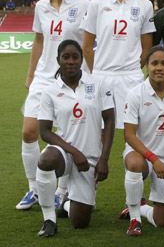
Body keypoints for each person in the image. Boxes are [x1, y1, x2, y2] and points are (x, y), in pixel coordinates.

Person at [17, 0, 89, 211]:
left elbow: (91, 43)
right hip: (44, 78)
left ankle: (61, 191)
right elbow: (38, 40)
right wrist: (30, 75)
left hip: (72, 78)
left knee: (66, 136)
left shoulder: (85, 6)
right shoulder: (41, 6)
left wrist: (90, 76)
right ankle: (34, 189)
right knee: (29, 132)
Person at [36, 40, 115, 236]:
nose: (70, 61)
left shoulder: (98, 84)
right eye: (66, 57)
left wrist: (104, 159)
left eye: (75, 57)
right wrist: (73, 151)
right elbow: (45, 131)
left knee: (80, 223)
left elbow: (110, 120)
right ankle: (49, 220)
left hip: (89, 159)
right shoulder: (50, 91)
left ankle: (67, 205)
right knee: (46, 160)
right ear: (58, 60)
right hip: (64, 152)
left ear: (81, 60)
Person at [119, 46, 164, 236]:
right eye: (154, 63)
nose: (159, 68)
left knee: (163, 222)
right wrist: (153, 158)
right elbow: (129, 135)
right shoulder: (136, 93)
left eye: (163, 63)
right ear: (147, 66)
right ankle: (135, 219)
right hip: (142, 154)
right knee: (135, 165)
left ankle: (139, 208)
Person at [81, 0, 155, 129]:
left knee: (135, 130)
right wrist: (97, 71)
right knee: (98, 130)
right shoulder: (96, 4)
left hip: (131, 77)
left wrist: (135, 69)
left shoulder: (145, 5)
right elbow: (86, 48)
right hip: (101, 76)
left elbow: (147, 48)